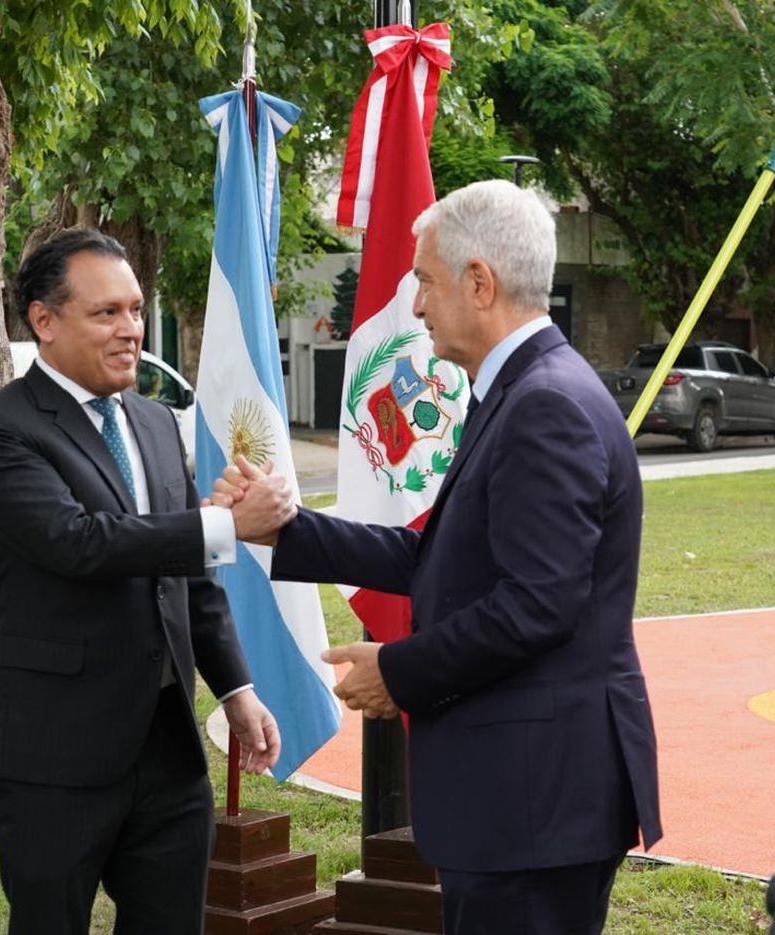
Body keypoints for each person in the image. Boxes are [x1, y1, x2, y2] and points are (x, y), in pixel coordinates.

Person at [216, 180, 662, 935]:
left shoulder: (543, 403)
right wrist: (285, 529)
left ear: (479, 282)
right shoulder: (521, 390)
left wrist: (398, 671)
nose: (416, 305)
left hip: (535, 800)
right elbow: (443, 555)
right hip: (527, 795)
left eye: (424, 280)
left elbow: (536, 604)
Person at [0, 227, 288, 934]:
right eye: (106, 312)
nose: (131, 328)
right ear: (44, 320)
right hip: (51, 752)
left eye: (136, 309)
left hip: (167, 749)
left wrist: (237, 690)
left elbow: (188, 574)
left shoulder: (156, 422)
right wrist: (223, 524)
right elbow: (75, 542)